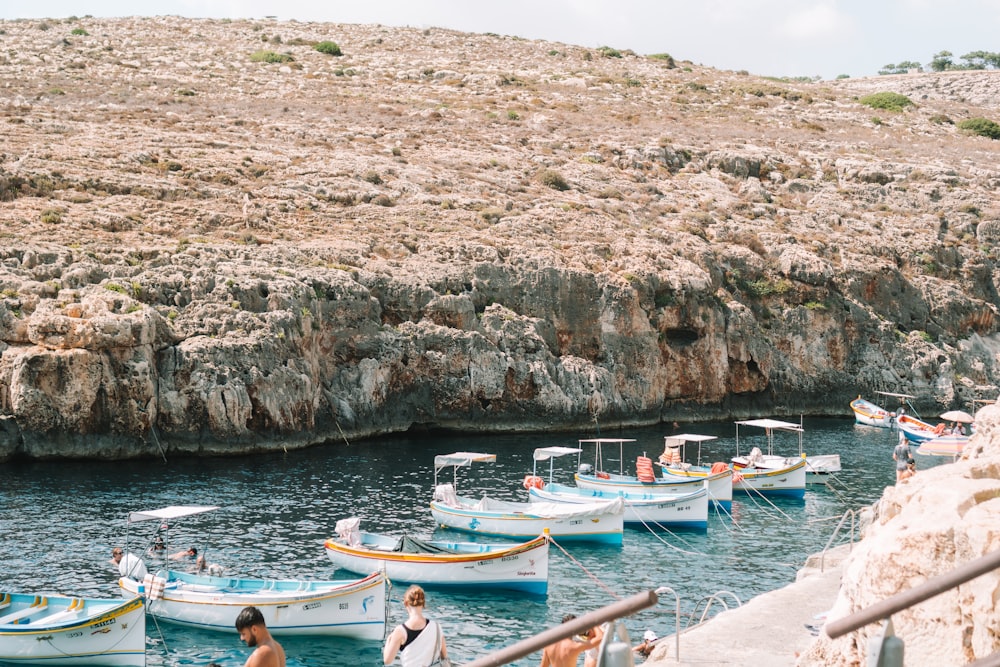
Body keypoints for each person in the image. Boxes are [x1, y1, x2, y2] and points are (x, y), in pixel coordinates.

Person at [383, 585, 448, 667]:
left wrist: (389, 639)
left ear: (405, 603)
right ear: (423, 603)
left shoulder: (400, 631)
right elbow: (444, 656)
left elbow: (387, 660)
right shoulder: (437, 627)